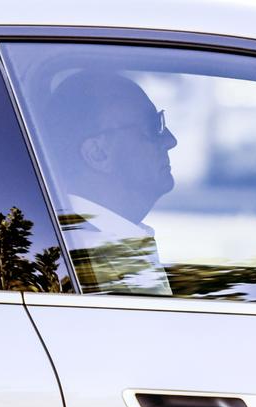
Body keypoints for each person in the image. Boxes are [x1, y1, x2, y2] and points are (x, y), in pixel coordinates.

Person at [44, 71, 178, 295]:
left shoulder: (92, 243)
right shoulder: (87, 262)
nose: (171, 140)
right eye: (153, 127)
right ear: (98, 153)